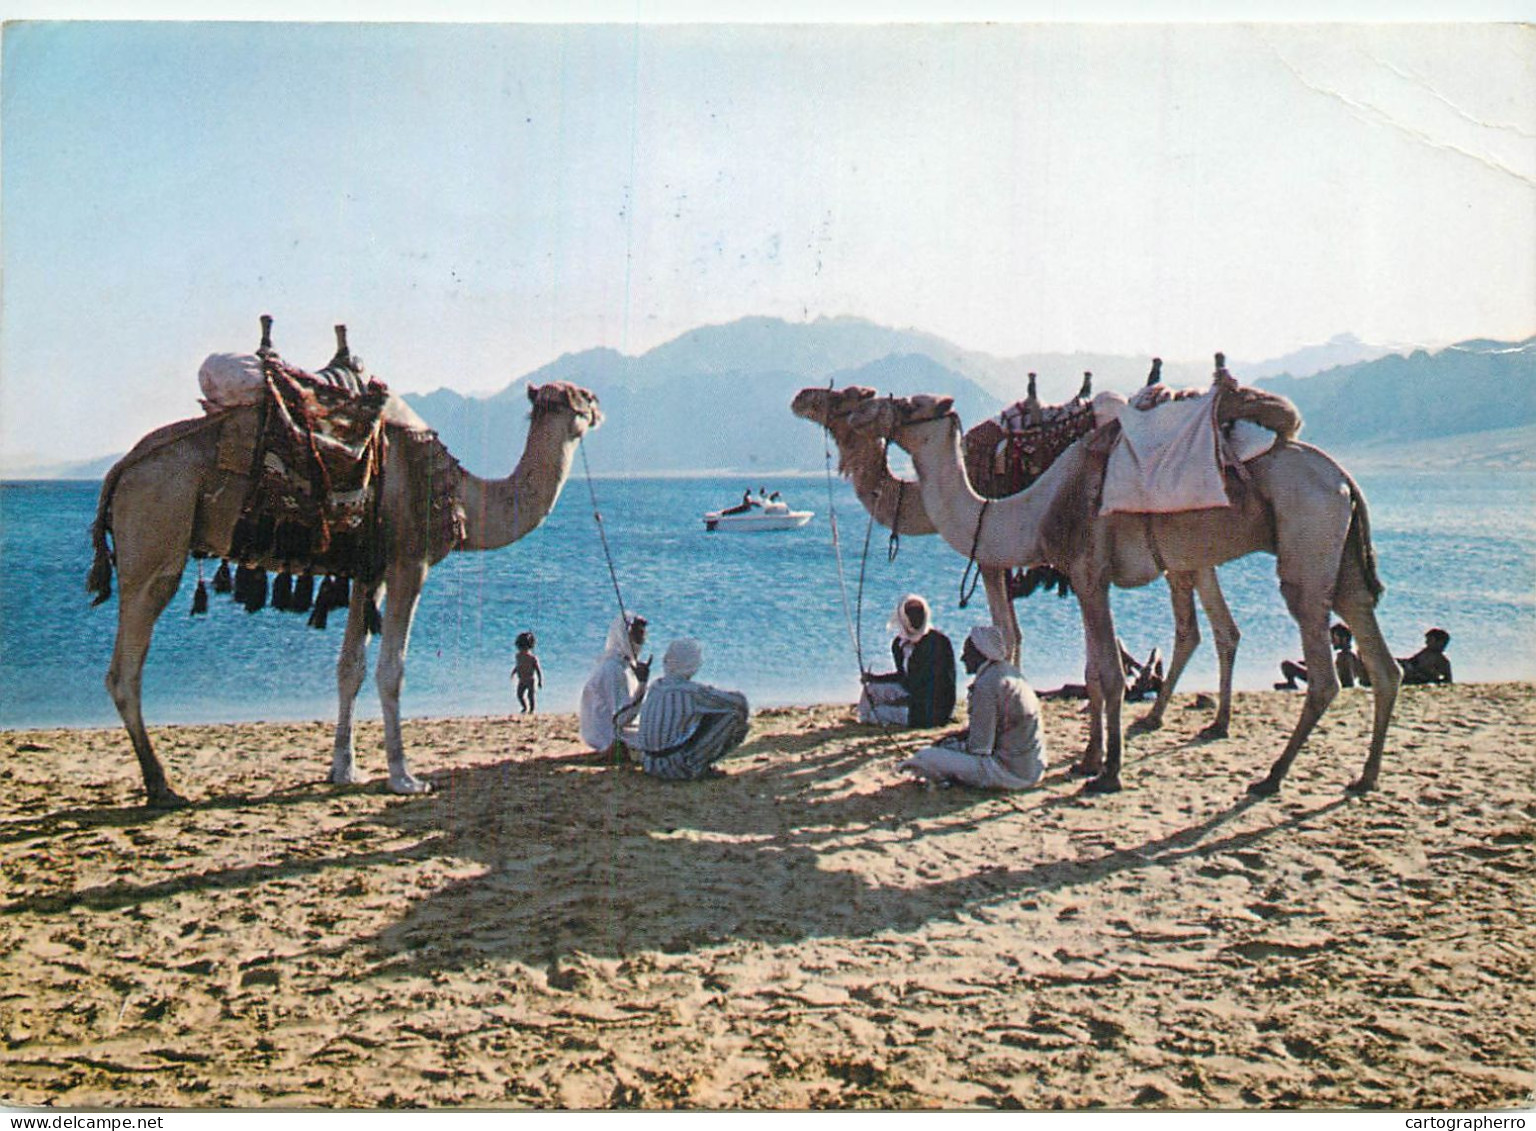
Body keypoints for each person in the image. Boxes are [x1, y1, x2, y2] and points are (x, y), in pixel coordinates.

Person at [898, 625, 1047, 791]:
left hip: (1009, 773)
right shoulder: (1007, 672)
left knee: (925, 757)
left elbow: (980, 748)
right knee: (945, 747)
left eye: (967, 653)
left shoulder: (987, 685)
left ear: (980, 654)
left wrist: (949, 747)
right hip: (1032, 770)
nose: (962, 658)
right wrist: (954, 739)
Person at [634, 638, 750, 780]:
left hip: (649, 763)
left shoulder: (655, 685)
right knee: (733, 716)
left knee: (701, 713)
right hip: (675, 767)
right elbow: (740, 702)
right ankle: (699, 767)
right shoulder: (691, 692)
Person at [858, 594, 957, 728]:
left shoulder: (938, 642)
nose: (915, 618)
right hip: (911, 694)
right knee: (871, 690)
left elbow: (941, 685)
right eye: (910, 614)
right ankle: (863, 718)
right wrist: (874, 678)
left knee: (878, 712)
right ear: (903, 616)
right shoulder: (900, 644)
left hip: (931, 709)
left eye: (919, 613)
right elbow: (903, 676)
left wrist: (904, 702)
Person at [579, 613, 652, 760]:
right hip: (606, 737)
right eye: (637, 636)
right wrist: (643, 684)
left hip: (611, 731)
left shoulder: (622, 664)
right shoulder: (613, 669)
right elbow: (622, 718)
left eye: (643, 636)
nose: (642, 641)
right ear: (624, 636)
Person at [1275, 623, 1370, 690]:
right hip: (1326, 677)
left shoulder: (1344, 657)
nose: (1331, 641)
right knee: (1302, 663)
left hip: (1323, 681)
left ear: (1343, 639)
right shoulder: (1349, 655)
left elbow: (1346, 683)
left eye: (1334, 638)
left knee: (1287, 664)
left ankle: (1291, 684)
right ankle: (1291, 683)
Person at [511, 630, 544, 713]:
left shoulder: (532, 658)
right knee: (519, 695)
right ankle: (524, 707)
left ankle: (532, 710)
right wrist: (514, 672)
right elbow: (518, 666)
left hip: (530, 680)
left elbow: (537, 670)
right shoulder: (518, 656)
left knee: (530, 696)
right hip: (521, 680)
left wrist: (540, 681)